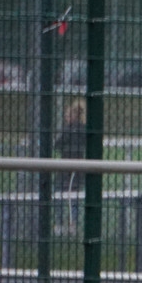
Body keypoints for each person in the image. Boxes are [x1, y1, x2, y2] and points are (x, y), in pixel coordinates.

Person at [55, 98, 87, 233]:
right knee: (73, 197)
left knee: (60, 194)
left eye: (68, 116)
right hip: (78, 166)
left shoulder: (68, 130)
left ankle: (59, 223)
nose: (66, 118)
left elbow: (57, 145)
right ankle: (72, 224)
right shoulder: (85, 129)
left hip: (66, 166)